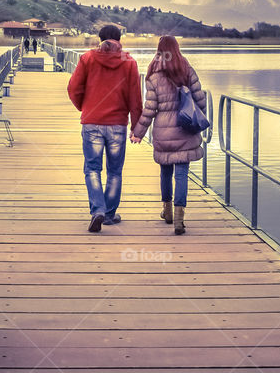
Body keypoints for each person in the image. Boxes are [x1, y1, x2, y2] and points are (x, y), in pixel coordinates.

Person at [67, 25, 142, 232]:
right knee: (115, 172)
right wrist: (137, 127)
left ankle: (97, 210)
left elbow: (73, 88)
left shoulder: (88, 58)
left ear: (99, 39)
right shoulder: (129, 62)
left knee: (92, 169)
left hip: (92, 122)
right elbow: (135, 98)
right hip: (117, 124)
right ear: (120, 39)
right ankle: (108, 214)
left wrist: (85, 107)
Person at [130, 35, 207, 235]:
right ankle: (179, 219)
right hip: (185, 128)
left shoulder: (153, 77)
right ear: (177, 49)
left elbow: (150, 109)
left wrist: (138, 132)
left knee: (165, 172)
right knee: (181, 174)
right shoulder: (187, 71)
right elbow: (201, 101)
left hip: (163, 131)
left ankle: (167, 211)